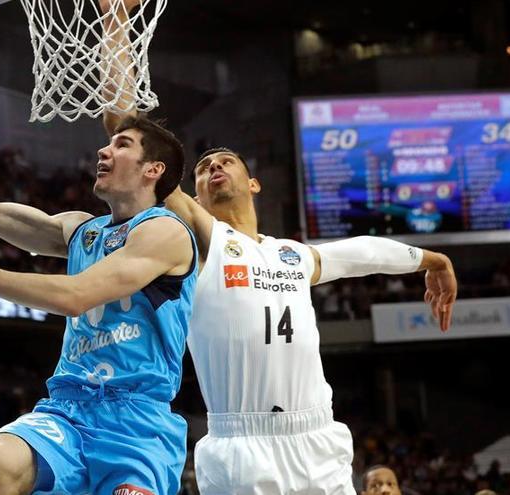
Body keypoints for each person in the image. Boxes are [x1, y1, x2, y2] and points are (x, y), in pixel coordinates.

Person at [100, 6, 457, 493]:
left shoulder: (291, 255)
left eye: (227, 161)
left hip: (318, 439)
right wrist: (116, 28)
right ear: (194, 193)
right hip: (241, 444)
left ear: (255, 184)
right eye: (203, 168)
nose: (214, 167)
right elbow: (127, 129)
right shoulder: (197, 239)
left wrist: (433, 260)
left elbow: (362, 253)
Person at [0, 13, 196, 494]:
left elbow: (76, 296)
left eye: (121, 144)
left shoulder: (166, 232)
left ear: (153, 170)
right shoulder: (82, 230)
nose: (104, 150)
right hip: (68, 410)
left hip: (136, 421)